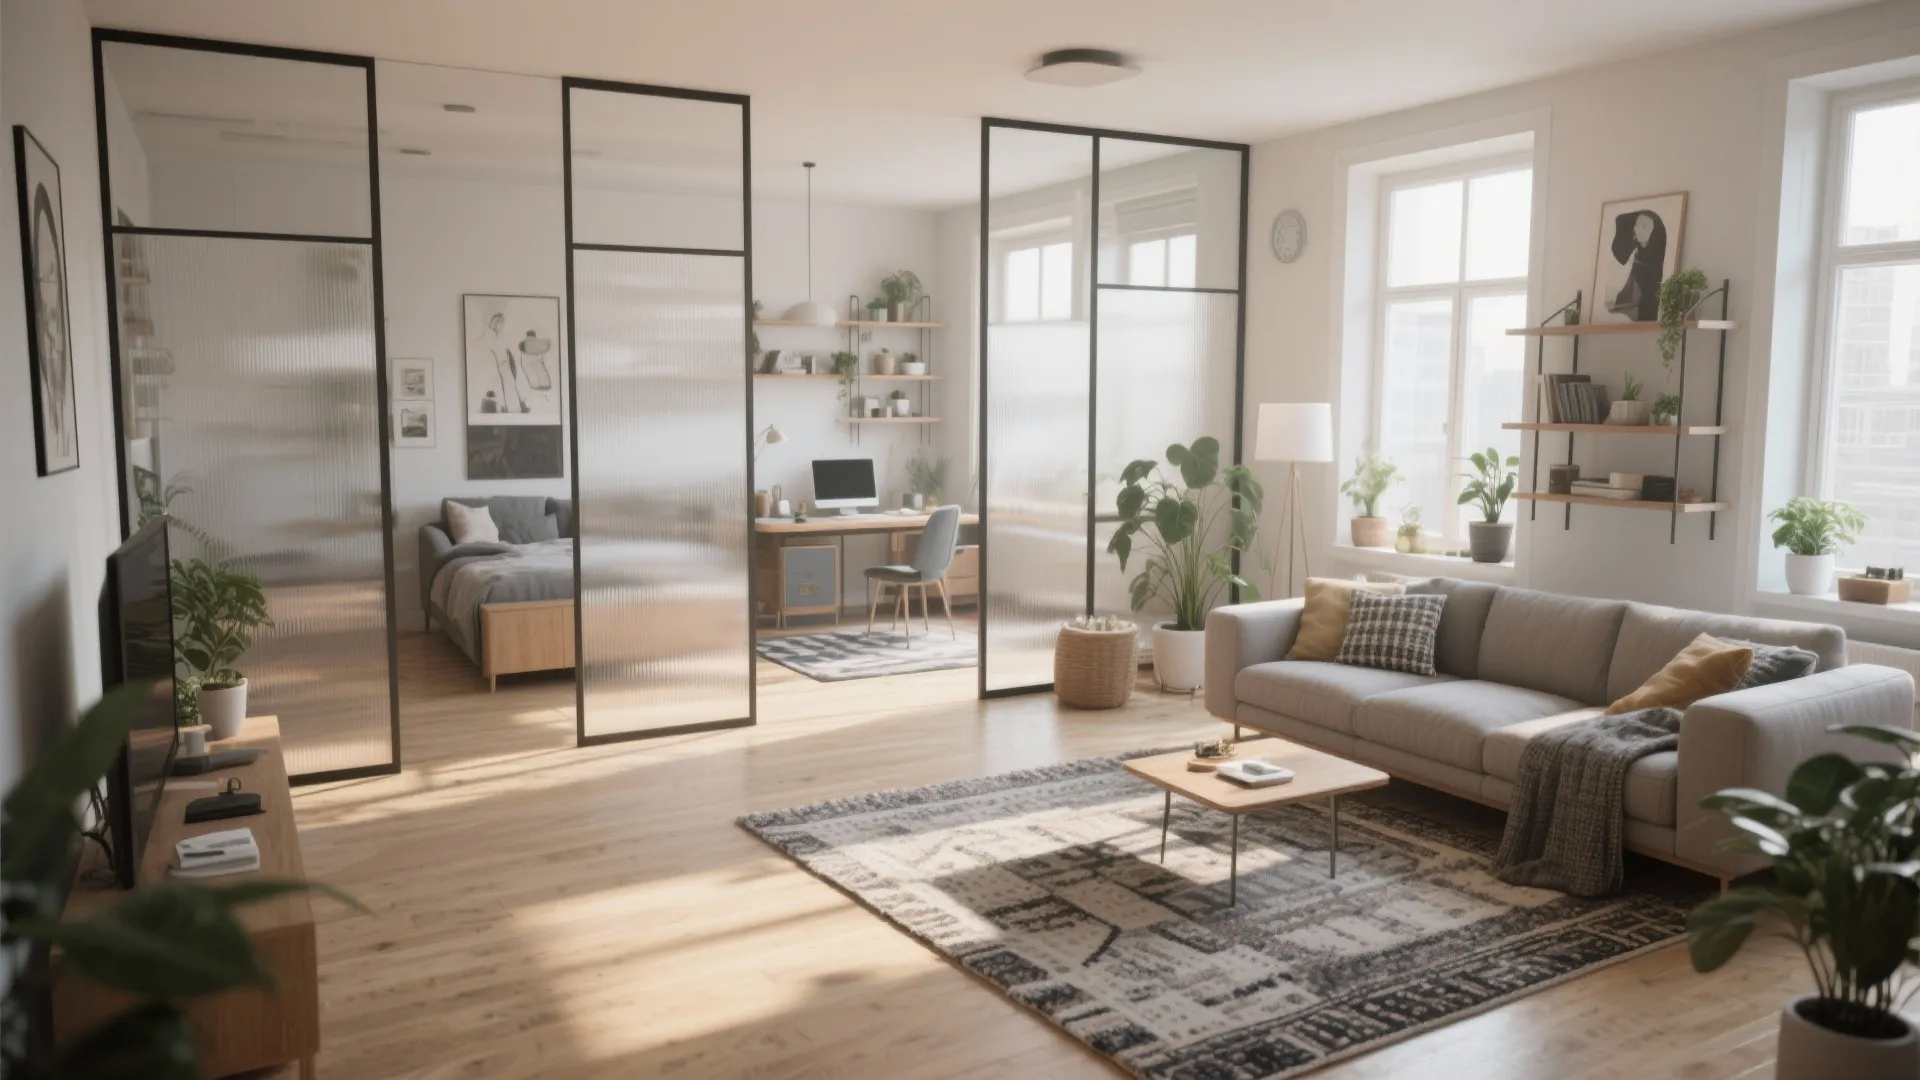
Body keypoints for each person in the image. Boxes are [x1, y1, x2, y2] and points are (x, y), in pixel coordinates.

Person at [1605, 210, 1666, 322]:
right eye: (1637, 225)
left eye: (1644, 226)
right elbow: (1629, 290)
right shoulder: (1638, 255)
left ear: (1654, 231)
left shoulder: (1654, 262)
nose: (1637, 229)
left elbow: (1647, 299)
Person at [474, 311, 527, 414]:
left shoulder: (494, 339)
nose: (502, 327)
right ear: (496, 323)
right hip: (499, 384)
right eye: (501, 324)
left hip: (504, 383)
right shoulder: (491, 341)